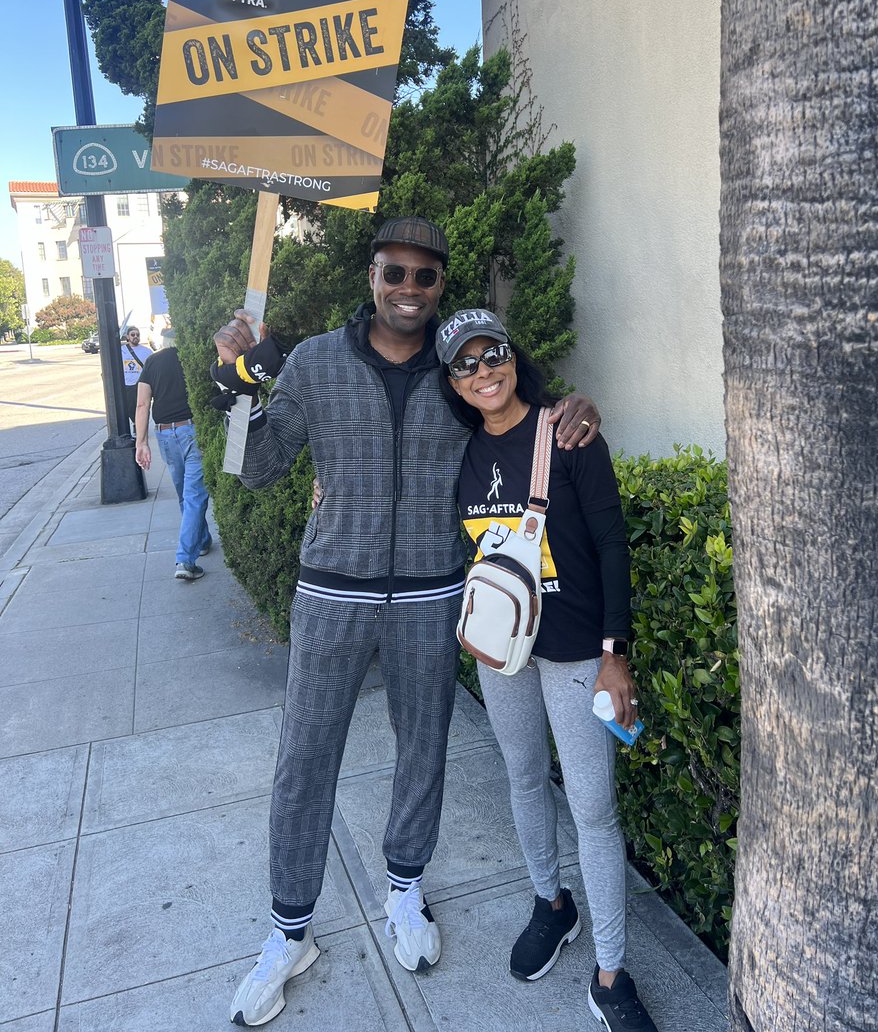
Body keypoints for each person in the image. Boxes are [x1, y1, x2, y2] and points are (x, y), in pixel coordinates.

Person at [211, 217, 601, 1028]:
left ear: (439, 288)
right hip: (331, 591)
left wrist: (577, 409)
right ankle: (288, 930)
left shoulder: (459, 370)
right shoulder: (316, 361)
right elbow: (258, 470)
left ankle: (404, 888)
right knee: (305, 757)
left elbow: (519, 413)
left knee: (423, 747)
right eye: (396, 273)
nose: (409, 289)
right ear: (372, 275)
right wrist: (236, 386)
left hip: (432, 593)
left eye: (426, 278)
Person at [436, 307, 658, 1032]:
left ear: (512, 355)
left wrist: (613, 655)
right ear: (453, 382)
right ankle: (551, 903)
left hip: (573, 654)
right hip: (503, 656)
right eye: (464, 364)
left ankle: (610, 972)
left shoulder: (567, 434)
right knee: (524, 777)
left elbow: (613, 545)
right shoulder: (460, 452)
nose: (482, 371)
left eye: (491, 353)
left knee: (593, 809)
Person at [134, 330, 212, 581]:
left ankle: (201, 540)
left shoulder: (153, 362)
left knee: (185, 494)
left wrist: (141, 443)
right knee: (194, 495)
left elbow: (142, 404)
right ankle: (186, 560)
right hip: (192, 429)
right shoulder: (193, 356)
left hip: (165, 434)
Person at [121, 326, 152, 426]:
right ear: (128, 336)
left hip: (140, 384)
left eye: (137, 335)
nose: (135, 337)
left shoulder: (146, 351)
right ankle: (136, 423)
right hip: (127, 385)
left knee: (143, 406)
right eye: (133, 335)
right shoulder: (121, 351)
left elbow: (151, 367)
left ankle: (140, 425)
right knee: (130, 408)